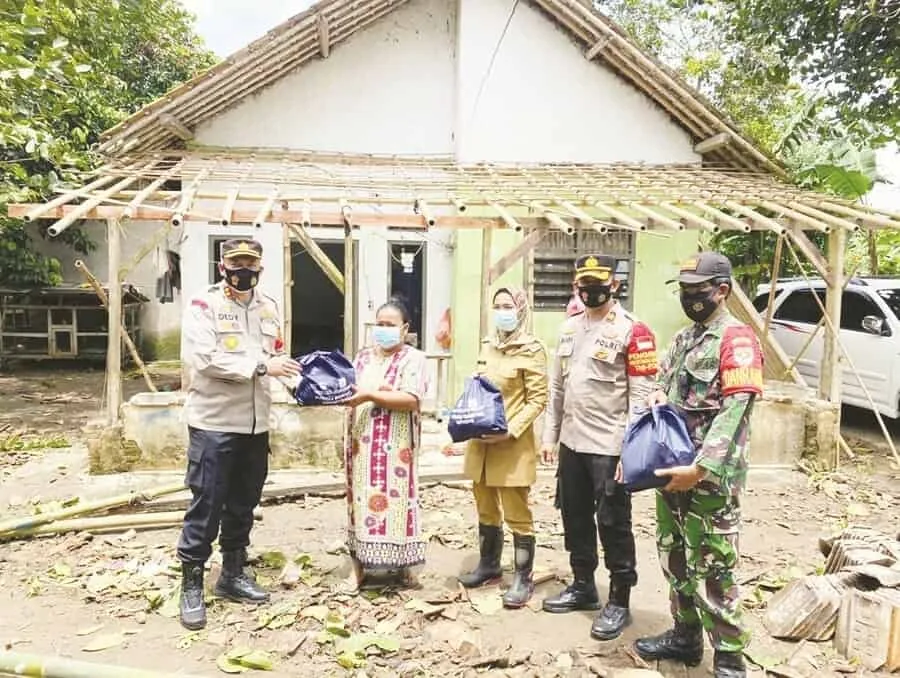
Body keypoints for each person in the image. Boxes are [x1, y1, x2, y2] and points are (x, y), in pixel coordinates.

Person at [633, 252, 762, 678]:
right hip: (673, 469)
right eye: (685, 290)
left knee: (714, 563)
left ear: (721, 290)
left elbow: (735, 411)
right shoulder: (684, 339)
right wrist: (657, 396)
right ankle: (685, 636)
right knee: (674, 556)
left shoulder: (737, 339)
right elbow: (662, 383)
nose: (689, 297)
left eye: (697, 290)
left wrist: (702, 468)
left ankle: (728, 658)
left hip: (709, 478)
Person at [177, 238, 301, 630]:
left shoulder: (270, 307)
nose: (243, 270)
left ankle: (232, 574)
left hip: (256, 424)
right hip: (214, 423)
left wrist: (299, 383)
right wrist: (264, 367)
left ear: (260, 268)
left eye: (250, 264)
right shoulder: (204, 305)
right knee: (207, 503)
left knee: (244, 503)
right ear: (222, 266)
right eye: (236, 263)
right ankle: (192, 583)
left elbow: (278, 355)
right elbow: (205, 359)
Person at [540, 254, 659, 641]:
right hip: (572, 443)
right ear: (577, 286)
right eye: (584, 284)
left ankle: (620, 600)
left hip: (610, 447)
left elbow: (640, 396)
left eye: (599, 283)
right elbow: (557, 388)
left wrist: (630, 449)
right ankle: (583, 586)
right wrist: (549, 436)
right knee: (573, 517)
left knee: (613, 524)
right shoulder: (568, 329)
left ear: (615, 285)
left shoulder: (634, 331)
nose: (591, 290)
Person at [458, 287, 549, 609]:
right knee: (485, 507)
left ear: (521, 309)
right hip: (480, 443)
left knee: (517, 514)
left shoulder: (533, 349)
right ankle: (489, 566)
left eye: (508, 305)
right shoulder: (488, 345)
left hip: (511, 446)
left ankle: (523, 578)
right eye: (497, 306)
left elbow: (538, 399)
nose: (502, 311)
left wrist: (510, 431)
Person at [342, 300, 429, 591]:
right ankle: (358, 570)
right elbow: (349, 389)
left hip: (397, 446)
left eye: (390, 325)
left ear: (405, 329)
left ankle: (406, 569)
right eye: (380, 324)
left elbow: (412, 399)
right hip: (362, 446)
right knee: (360, 503)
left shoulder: (413, 359)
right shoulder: (363, 358)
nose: (383, 329)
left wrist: (370, 395)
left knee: (400, 503)